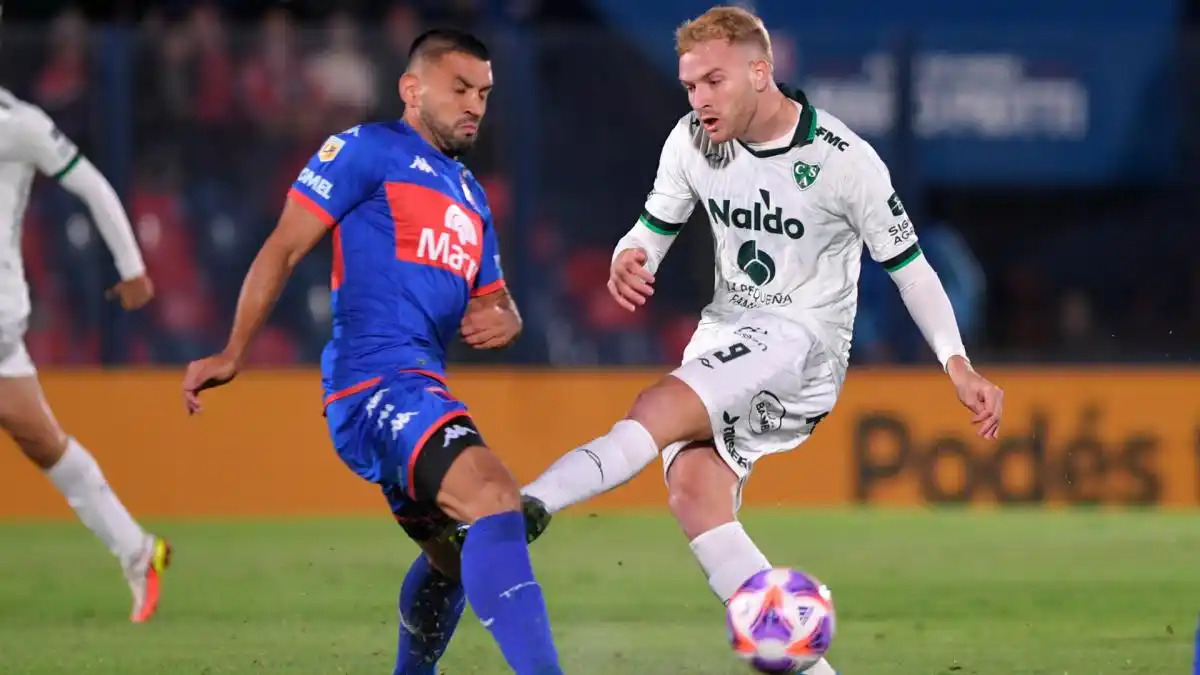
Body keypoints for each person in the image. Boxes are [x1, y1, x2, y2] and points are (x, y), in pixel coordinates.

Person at [516, 7, 1004, 674]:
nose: (700, 100)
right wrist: (632, 255)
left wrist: (958, 364)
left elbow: (911, 269)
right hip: (730, 329)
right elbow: (652, 226)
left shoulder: (843, 160)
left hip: (803, 343)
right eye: (690, 86)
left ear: (759, 71)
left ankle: (529, 506)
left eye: (714, 81)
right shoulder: (692, 140)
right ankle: (810, 664)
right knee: (691, 489)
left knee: (658, 407)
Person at [180, 29, 564, 675]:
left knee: (453, 560)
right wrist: (232, 349)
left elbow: (496, 300)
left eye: (485, 93)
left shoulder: (471, 194)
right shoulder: (365, 150)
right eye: (460, 88)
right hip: (377, 383)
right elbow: (283, 245)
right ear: (412, 90)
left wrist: (509, 318)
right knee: (496, 496)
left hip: (419, 386)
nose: (475, 105)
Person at [0, 87, 170, 623]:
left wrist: (131, 265)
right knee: (43, 441)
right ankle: (138, 549)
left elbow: (92, 184)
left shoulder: (18, 123)